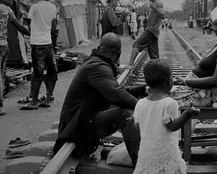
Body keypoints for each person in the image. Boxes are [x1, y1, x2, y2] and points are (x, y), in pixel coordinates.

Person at [54, 33, 148, 162]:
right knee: (125, 114)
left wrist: (142, 89)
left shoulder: (96, 62)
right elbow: (117, 95)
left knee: (123, 107)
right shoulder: (98, 67)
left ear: (100, 48)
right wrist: (147, 109)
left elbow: (115, 91)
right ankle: (142, 164)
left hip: (83, 119)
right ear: (118, 53)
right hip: (77, 127)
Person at [130, 59, 199, 174]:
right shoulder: (169, 103)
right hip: (166, 152)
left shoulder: (140, 103)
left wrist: (148, 132)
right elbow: (172, 126)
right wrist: (187, 114)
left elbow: (136, 125)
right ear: (169, 82)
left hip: (147, 151)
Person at [173, 1, 217, 107]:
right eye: (216, 24)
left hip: (199, 94)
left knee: (155, 100)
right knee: (149, 90)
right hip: (195, 89)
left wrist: (184, 82)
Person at [21, 0, 58, 109]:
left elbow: (29, 25)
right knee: (52, 72)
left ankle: (34, 101)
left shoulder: (34, 7)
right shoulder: (53, 7)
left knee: (37, 74)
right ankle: (47, 99)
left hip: (37, 44)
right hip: (48, 43)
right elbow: (53, 27)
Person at [128, 0, 165, 65]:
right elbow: (152, 19)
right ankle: (159, 72)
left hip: (152, 31)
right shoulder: (152, 4)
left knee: (136, 45)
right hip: (153, 32)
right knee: (154, 57)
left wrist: (155, 8)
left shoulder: (158, 3)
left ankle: (130, 65)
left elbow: (163, 16)